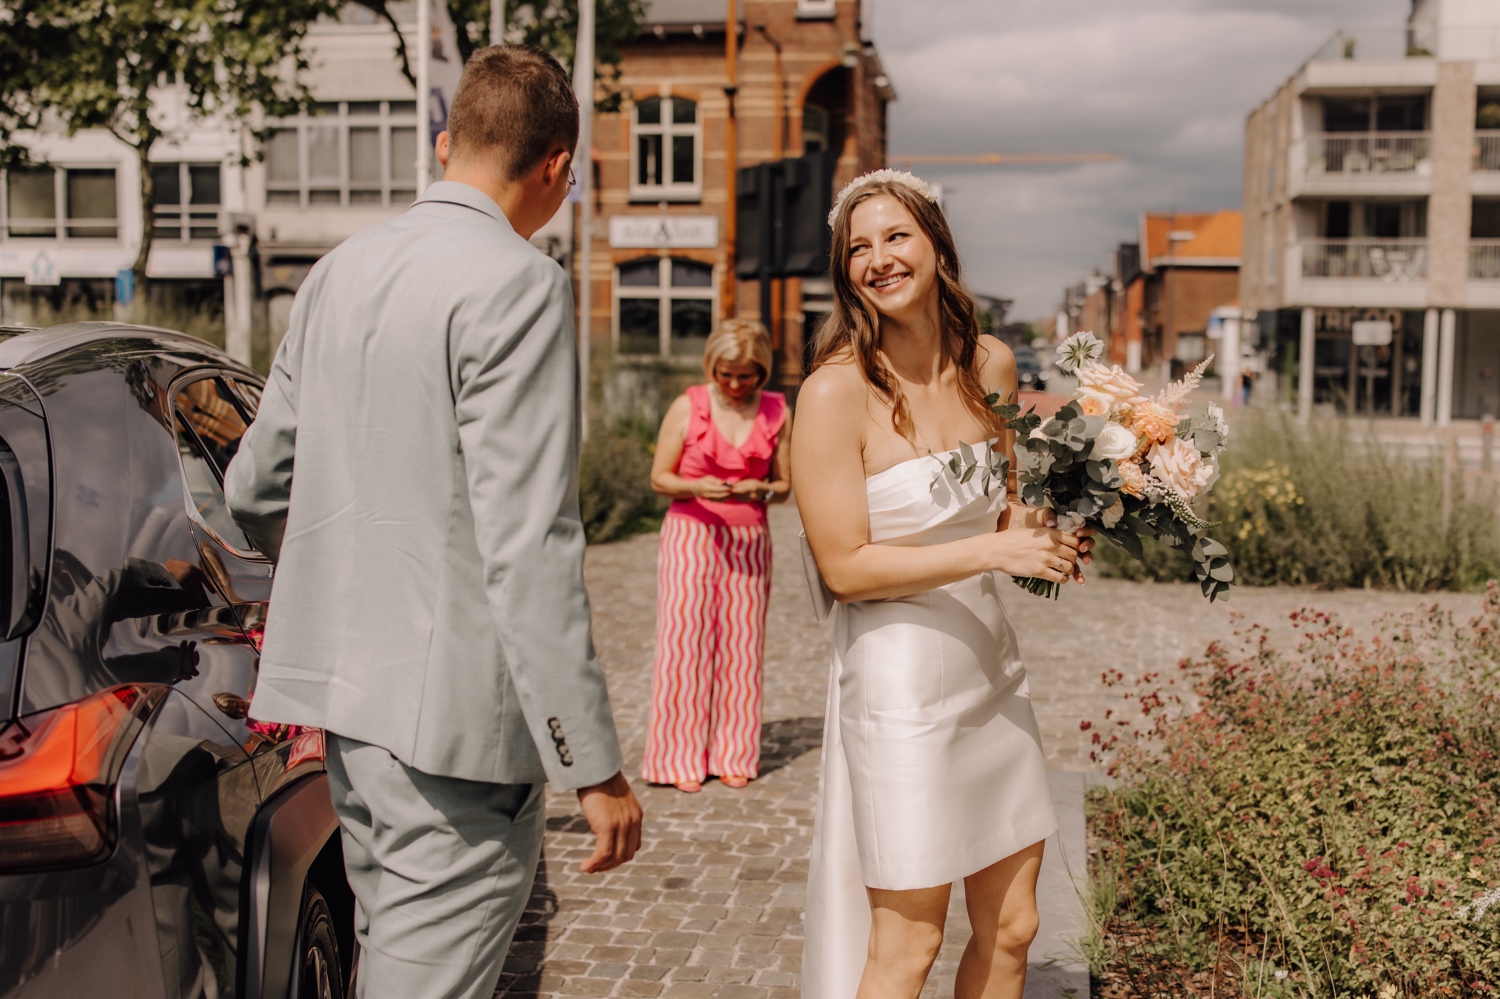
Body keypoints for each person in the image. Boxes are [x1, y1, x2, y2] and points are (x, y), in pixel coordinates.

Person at [223, 46, 642, 999]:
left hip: (347, 710)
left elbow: (252, 486)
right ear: (557, 167)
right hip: (452, 734)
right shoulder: (519, 281)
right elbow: (528, 542)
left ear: (448, 145)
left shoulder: (333, 274)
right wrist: (595, 763)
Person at [794, 170, 1093, 999]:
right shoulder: (832, 395)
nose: (878, 259)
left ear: (935, 244)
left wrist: (1058, 525)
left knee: (1016, 925)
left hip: (989, 668)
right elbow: (845, 568)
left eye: (896, 237)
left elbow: (1006, 512)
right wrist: (993, 558)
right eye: (858, 247)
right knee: (910, 942)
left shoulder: (988, 364)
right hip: (900, 682)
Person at [641, 319, 791, 792]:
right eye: (726, 373)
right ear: (712, 365)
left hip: (749, 539)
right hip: (691, 533)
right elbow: (658, 477)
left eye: (746, 375)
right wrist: (694, 485)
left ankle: (734, 754)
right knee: (684, 646)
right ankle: (678, 759)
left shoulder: (777, 412)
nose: (734, 384)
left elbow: (785, 487)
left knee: (743, 649)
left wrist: (760, 489)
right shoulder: (688, 405)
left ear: (762, 370)